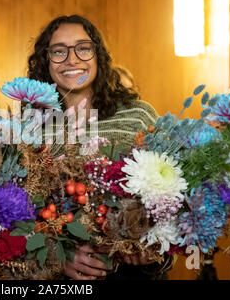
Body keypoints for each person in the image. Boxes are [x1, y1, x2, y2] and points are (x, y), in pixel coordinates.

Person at [27, 15, 173, 280]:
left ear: (98, 56)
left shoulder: (138, 115)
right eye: (58, 51)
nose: (72, 59)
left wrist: (153, 244)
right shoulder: (28, 128)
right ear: (45, 61)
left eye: (83, 48)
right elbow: (19, 217)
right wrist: (56, 257)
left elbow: (173, 193)